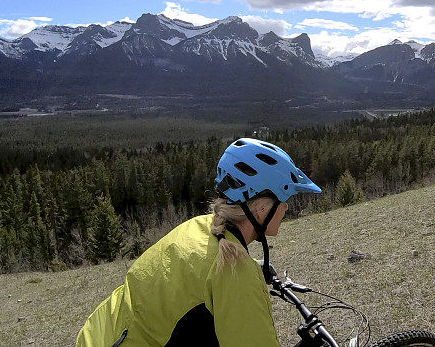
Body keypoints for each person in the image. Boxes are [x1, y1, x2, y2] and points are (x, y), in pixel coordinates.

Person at [75, 137, 321, 346]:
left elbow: (194, 279)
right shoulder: (236, 275)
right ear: (260, 208)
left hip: (99, 335)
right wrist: (247, 276)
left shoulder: (200, 227)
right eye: (284, 199)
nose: (287, 207)